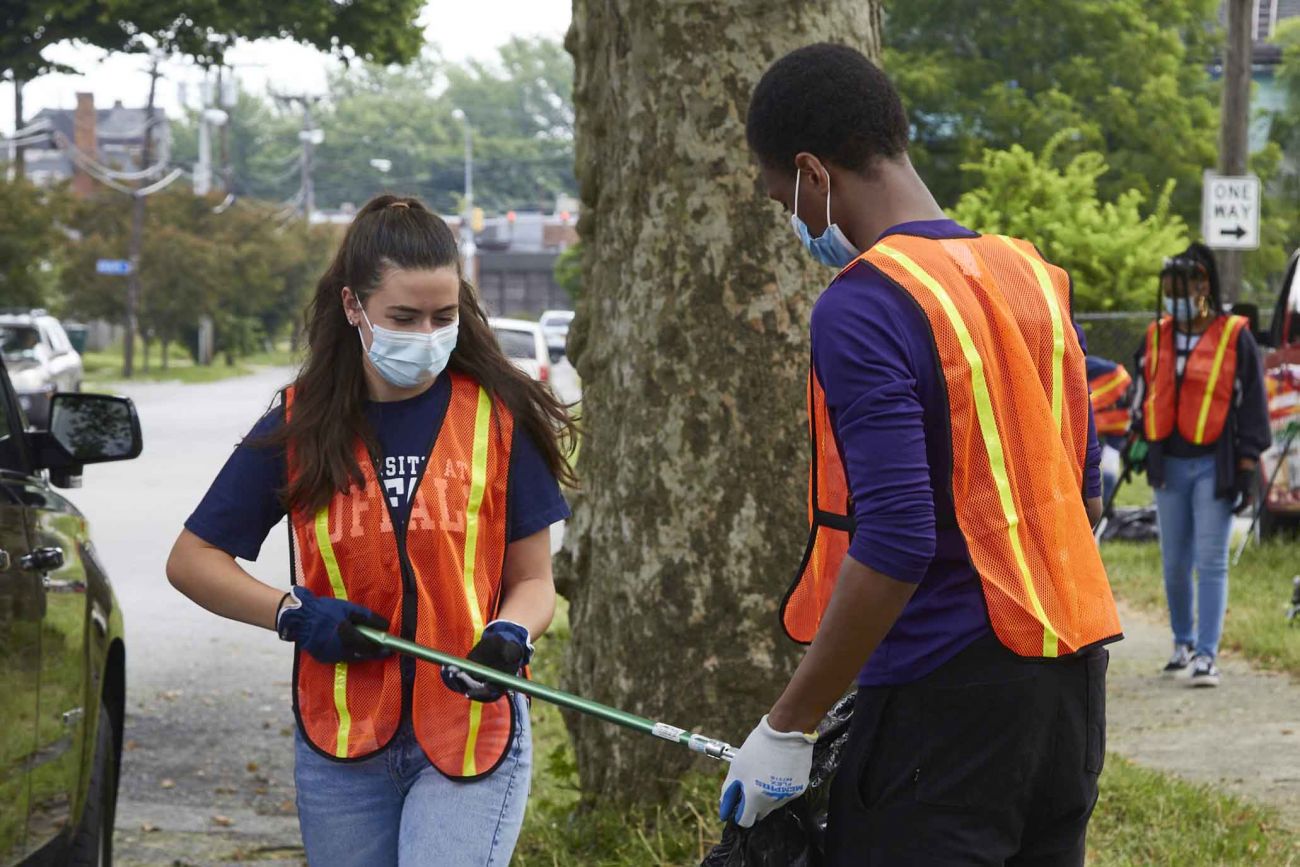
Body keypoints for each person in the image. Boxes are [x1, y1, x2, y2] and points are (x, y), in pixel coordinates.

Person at [719, 44, 1123, 865]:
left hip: (943, 706)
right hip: (1069, 688)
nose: (790, 219)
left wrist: (787, 724)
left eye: (779, 199)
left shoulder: (863, 304)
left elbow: (897, 539)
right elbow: (1076, 489)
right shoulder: (1034, 278)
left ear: (811, 171)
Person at [166, 195, 574, 866]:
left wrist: (511, 633)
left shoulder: (498, 420)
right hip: (343, 746)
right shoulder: (300, 423)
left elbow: (533, 582)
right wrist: (292, 613)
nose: (427, 334)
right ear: (355, 306)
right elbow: (192, 560)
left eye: (443, 317)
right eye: (404, 318)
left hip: (472, 735)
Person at [1131, 243, 1271, 687]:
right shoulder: (1156, 336)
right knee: (1174, 561)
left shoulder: (1235, 336)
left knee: (1211, 560)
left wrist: (1247, 464)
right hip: (1168, 464)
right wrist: (1137, 441)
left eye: (1181, 288)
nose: (1173, 297)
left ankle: (1207, 656)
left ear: (1203, 286)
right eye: (1168, 289)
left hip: (1216, 463)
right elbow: (1143, 392)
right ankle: (1182, 643)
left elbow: (1253, 405)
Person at [1085, 354, 1134, 504]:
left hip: (1081, 433)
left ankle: (1107, 507)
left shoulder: (1127, 419)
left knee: (1110, 466)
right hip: (1063, 400)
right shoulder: (1115, 373)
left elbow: (1114, 446)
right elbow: (1077, 361)